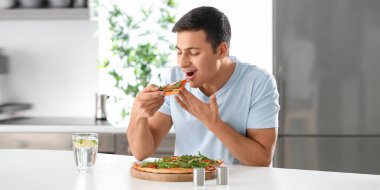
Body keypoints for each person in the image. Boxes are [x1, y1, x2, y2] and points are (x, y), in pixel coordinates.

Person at [127, 6, 279, 166]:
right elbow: (141, 151)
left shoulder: (258, 82)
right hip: (186, 181)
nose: (183, 63)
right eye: (179, 52)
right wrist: (138, 112)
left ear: (221, 51)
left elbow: (262, 159)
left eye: (193, 53)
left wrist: (213, 122)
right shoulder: (173, 79)